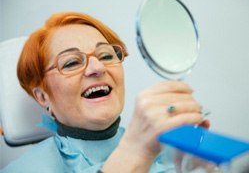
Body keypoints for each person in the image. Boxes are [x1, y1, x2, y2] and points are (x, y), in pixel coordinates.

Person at [1, 12, 209, 172]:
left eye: (107, 56)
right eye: (72, 62)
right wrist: (135, 153)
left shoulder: (167, 149)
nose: (97, 68)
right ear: (43, 96)